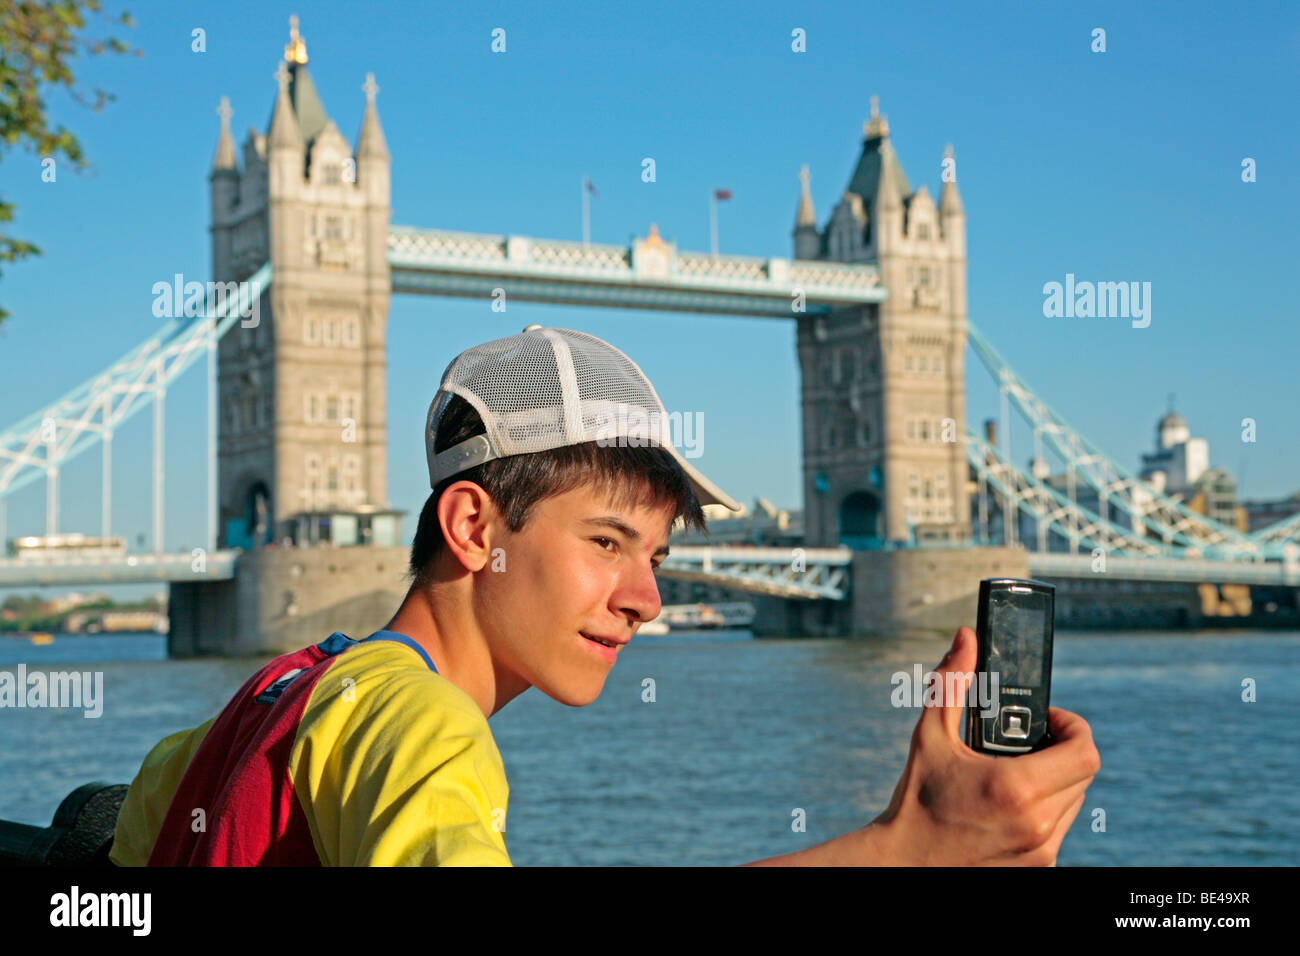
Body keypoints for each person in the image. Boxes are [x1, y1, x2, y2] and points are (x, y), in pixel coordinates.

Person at [109, 325, 1099, 866]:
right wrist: (901, 848)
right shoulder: (427, 734)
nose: (645, 598)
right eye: (606, 540)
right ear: (472, 528)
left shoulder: (265, 704)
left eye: (657, 554)